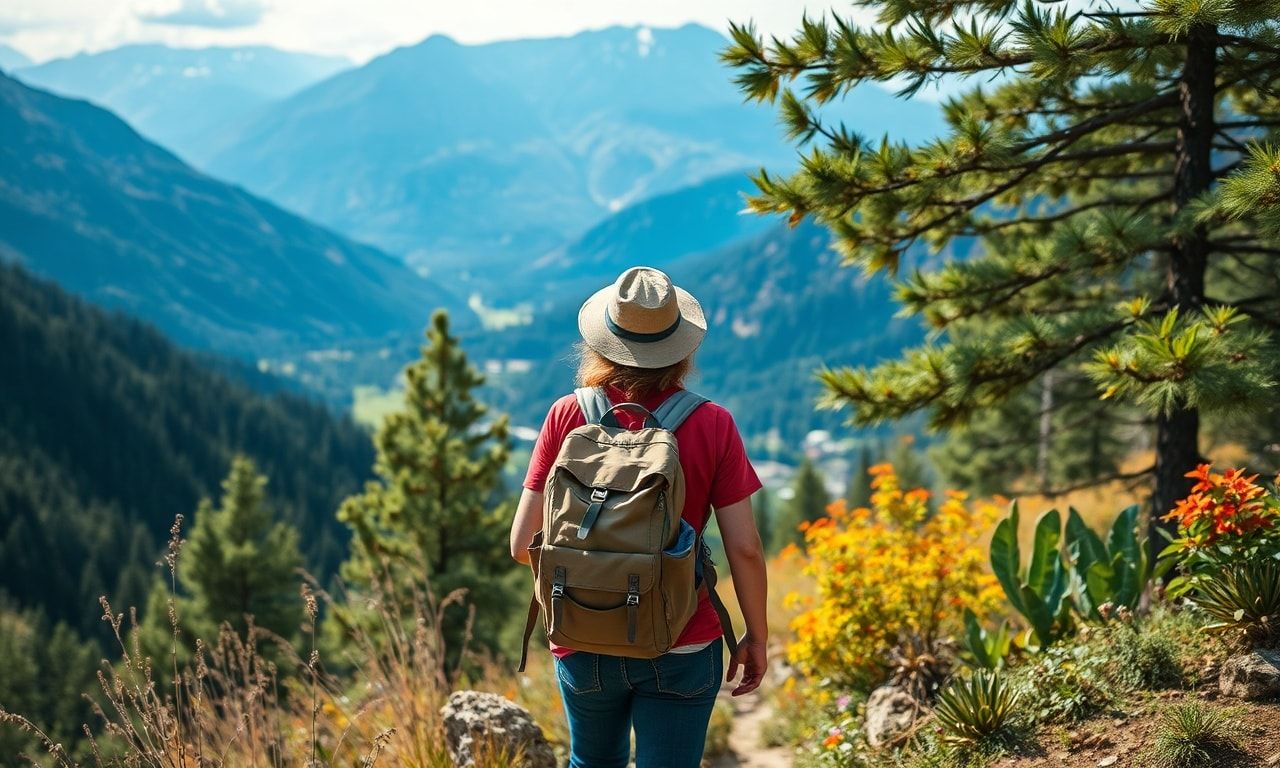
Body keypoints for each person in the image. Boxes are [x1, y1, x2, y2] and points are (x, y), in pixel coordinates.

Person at [509, 266, 770, 768]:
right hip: (683, 640)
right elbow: (745, 549)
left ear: (602, 342)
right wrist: (756, 637)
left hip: (583, 635)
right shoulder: (712, 423)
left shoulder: (568, 415)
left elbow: (523, 545)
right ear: (681, 348)